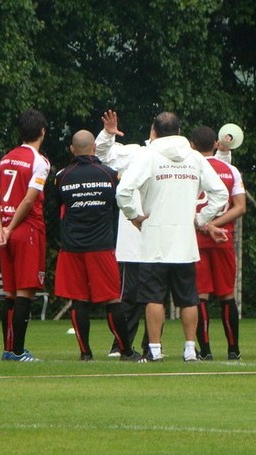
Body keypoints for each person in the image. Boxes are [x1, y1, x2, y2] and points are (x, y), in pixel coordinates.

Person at [116, 111, 229, 362]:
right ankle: (190, 350)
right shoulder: (195, 158)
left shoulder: (149, 155)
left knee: (153, 297)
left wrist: (134, 215)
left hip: (154, 239)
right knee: (188, 298)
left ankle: (154, 350)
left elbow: (123, 190)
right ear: (179, 132)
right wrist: (200, 219)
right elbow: (220, 194)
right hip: (184, 241)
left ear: (153, 131)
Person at [54, 129, 142, 362]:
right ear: (94, 149)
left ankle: (85, 353)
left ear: (73, 150)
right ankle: (126, 351)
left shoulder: (62, 176)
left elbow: (56, 210)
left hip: (72, 247)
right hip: (101, 246)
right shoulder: (110, 174)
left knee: (78, 300)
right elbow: (119, 203)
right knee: (112, 299)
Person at [0, 109, 50, 362]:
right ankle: (18, 351)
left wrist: (0, 229)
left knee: (10, 293)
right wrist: (12, 227)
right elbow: (28, 200)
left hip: (5, 229)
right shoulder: (40, 162)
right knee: (25, 292)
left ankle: (8, 349)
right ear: (42, 132)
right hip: (27, 229)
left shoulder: (5, 159)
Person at [95, 110, 150, 357]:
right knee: (131, 295)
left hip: (167, 239)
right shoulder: (138, 153)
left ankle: (152, 346)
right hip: (137, 237)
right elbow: (102, 154)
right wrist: (108, 134)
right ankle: (121, 345)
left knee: (156, 297)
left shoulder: (184, 158)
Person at [190, 125, 246, 361]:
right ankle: (233, 350)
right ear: (215, 144)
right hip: (223, 238)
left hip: (196, 238)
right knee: (227, 295)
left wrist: (205, 225)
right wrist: (217, 225)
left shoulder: (189, 170)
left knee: (200, 295)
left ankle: (206, 351)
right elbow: (240, 207)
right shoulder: (230, 170)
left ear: (192, 145)